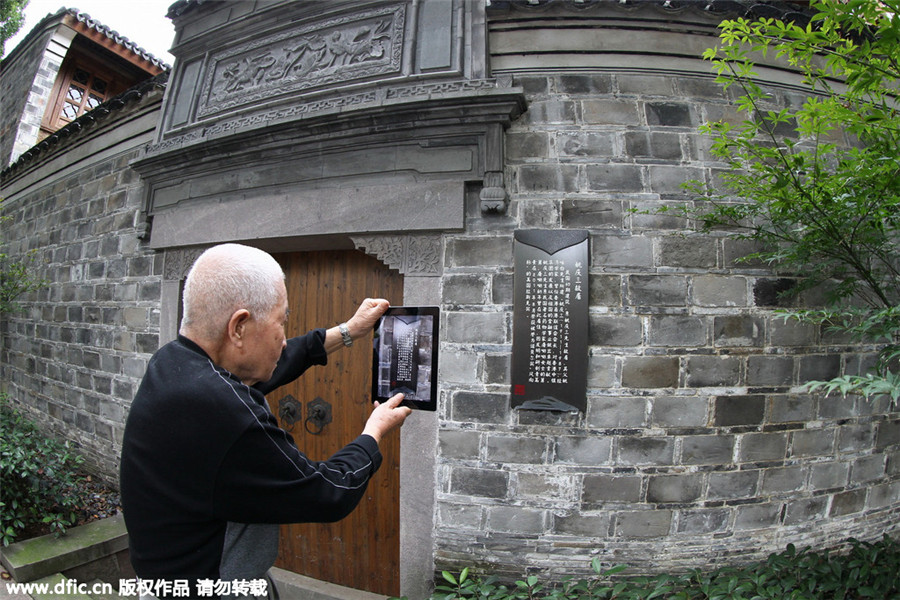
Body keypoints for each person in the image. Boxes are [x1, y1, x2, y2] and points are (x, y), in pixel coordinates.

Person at [119, 243, 411, 599]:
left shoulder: (174, 363)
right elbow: (329, 492)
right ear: (239, 326)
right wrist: (374, 430)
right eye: (281, 322)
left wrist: (349, 330)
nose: (284, 338)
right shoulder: (226, 412)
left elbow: (269, 367)